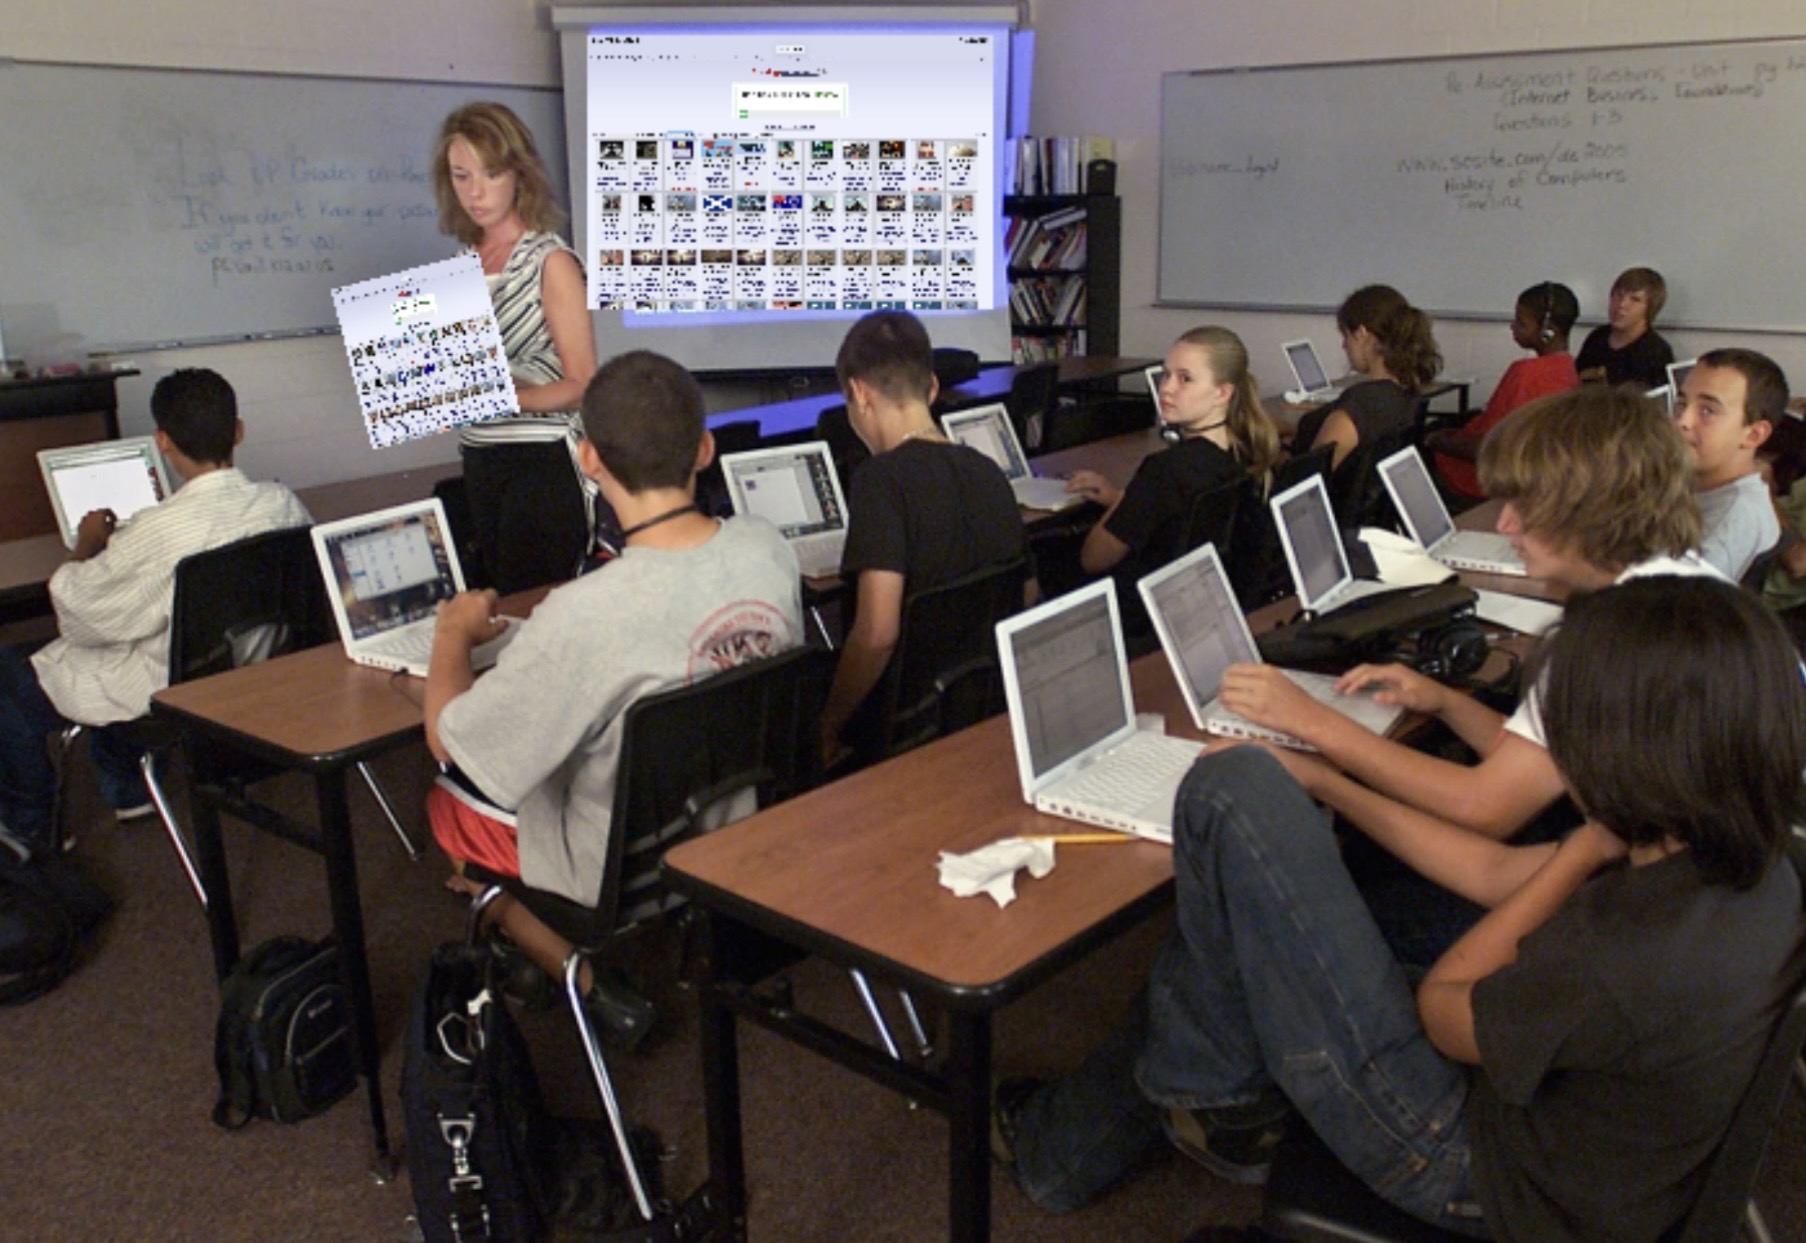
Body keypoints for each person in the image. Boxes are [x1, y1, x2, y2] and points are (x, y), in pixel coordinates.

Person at [1000, 577, 1806, 1242]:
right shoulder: (1741, 867)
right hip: (1577, 1141)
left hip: (1466, 1164)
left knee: (1229, 791)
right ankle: (1164, 1102)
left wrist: (1578, 852)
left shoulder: (1627, 956)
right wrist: (1325, 780)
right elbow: (1495, 869)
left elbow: (1445, 1008)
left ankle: (1211, 1087)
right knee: (1256, 909)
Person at [1215, 386, 1717, 964]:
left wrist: (1311, 725)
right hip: (1669, 896)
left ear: (1593, 507)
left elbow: (1487, 810)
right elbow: (1540, 762)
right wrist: (1447, 704)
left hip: (1628, 930)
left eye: (1525, 505)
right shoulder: (1680, 589)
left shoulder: (1618, 642)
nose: (1505, 523)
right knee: (1367, 855)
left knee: (1302, 910)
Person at [424, 349, 802, 1039]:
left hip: (620, 870)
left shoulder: (581, 613)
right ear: (706, 448)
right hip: (747, 818)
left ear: (589, 458)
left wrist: (452, 635)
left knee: (447, 802)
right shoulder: (767, 547)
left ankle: (576, 971)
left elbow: (450, 742)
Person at [0, 369, 310, 851]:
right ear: (238, 431)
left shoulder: (154, 531)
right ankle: (130, 790)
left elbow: (79, 613)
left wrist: (87, 545)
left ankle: (27, 825)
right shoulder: (281, 503)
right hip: (254, 670)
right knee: (128, 636)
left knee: (14, 676)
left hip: (175, 693)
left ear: (162, 441)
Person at [818, 311, 1027, 766]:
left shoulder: (880, 482)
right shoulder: (988, 471)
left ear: (859, 393)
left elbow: (877, 634)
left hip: (900, 729)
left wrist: (828, 725)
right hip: (981, 709)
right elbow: (1026, 592)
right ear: (932, 387)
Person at [433, 101, 598, 593]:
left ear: (519, 173)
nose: (475, 192)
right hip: (480, 459)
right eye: (461, 176)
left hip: (541, 463)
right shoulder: (460, 264)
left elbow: (582, 384)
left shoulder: (550, 261)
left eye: (491, 173)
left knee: (536, 606)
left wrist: (503, 395)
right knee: (501, 606)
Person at [1065, 326, 1280, 586]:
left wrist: (1123, 505)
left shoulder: (1165, 470)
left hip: (1141, 601)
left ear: (1222, 393)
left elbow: (1093, 559)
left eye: (1185, 379)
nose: (1166, 388)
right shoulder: (1249, 450)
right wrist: (1125, 499)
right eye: (1166, 375)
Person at [1428, 282, 1580, 501]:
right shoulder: (1567, 368)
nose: (1512, 326)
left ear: (1547, 331)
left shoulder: (1526, 373)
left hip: (1481, 481)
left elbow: (1495, 449)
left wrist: (1438, 441)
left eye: (1521, 321)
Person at [1290, 284, 1440, 473]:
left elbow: (1310, 474)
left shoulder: (1360, 403)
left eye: (1346, 335)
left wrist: (1277, 458)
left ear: (1362, 334)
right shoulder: (1408, 392)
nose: (1344, 345)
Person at [1674, 347, 1783, 580]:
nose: (1682, 420)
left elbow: (1668, 601)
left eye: (1708, 410)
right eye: (1681, 403)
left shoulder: (1728, 525)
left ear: (1753, 435)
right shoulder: (1697, 483)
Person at [1574, 266, 1674, 390]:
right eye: (1618, 295)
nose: (1621, 305)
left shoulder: (1657, 352)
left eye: (1635, 300)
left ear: (1650, 309)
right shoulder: (1597, 338)